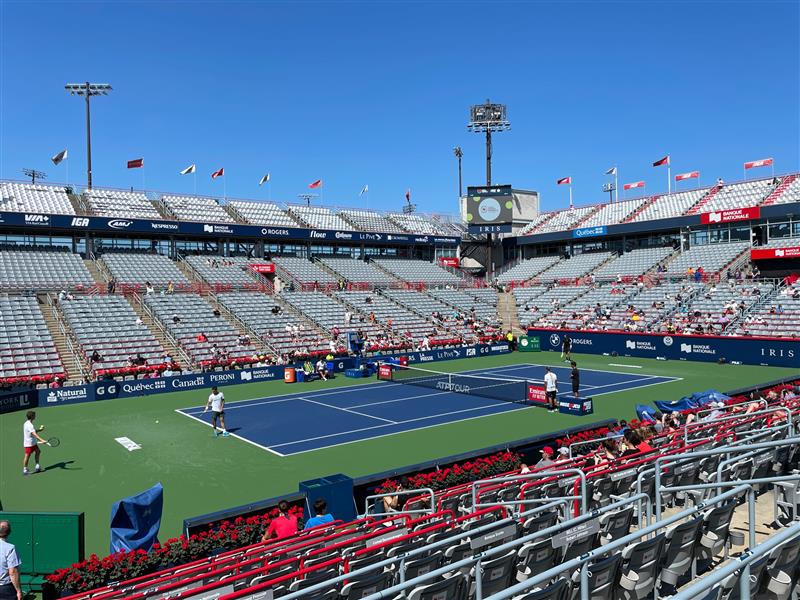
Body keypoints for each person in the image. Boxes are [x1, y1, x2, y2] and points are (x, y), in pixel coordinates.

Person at [0, 520, 22, 600]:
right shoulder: (10, 548)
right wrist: (18, 591)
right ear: (9, 532)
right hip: (5, 589)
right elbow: (13, 572)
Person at [23, 410, 47, 475]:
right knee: (27, 455)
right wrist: (42, 440)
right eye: (34, 415)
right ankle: (25, 470)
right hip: (29, 444)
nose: (35, 416)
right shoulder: (30, 425)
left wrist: (39, 430)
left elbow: (31, 432)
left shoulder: (26, 423)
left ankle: (37, 466)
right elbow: (34, 434)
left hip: (33, 443)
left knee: (38, 451)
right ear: (32, 416)